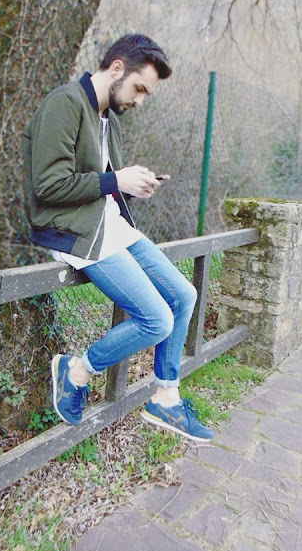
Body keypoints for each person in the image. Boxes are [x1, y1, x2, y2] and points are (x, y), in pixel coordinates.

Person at [23, 34, 213, 442]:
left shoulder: (108, 119)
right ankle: (75, 371)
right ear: (116, 69)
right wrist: (115, 181)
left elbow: (100, 183)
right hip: (73, 230)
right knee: (156, 320)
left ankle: (166, 398)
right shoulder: (64, 103)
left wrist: (131, 185)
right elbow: (48, 186)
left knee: (184, 295)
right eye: (139, 88)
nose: (140, 100)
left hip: (110, 226)